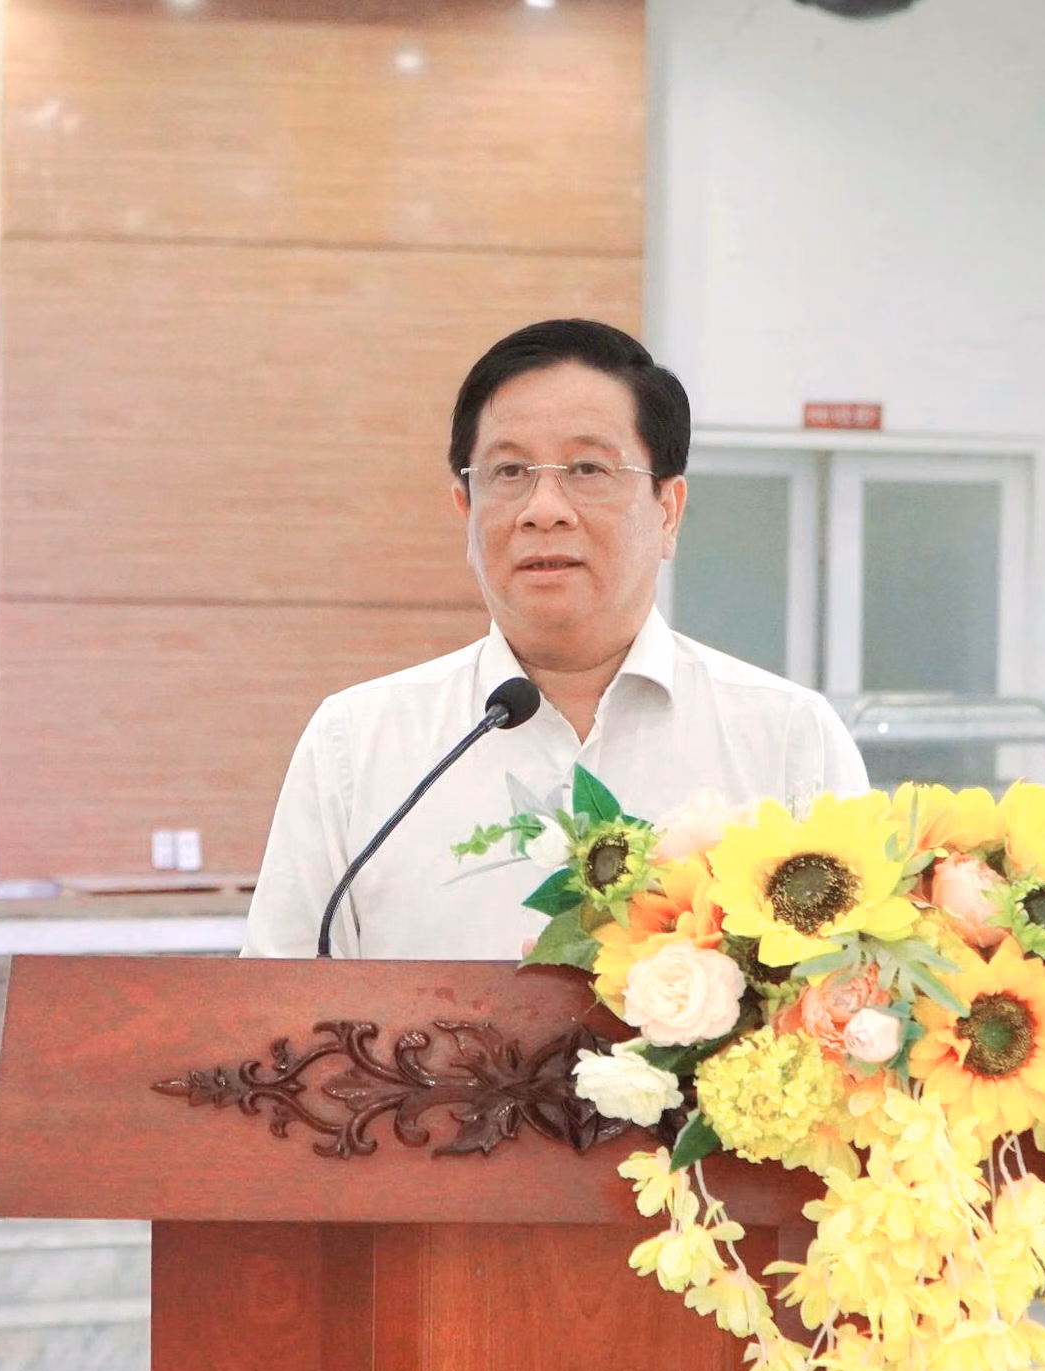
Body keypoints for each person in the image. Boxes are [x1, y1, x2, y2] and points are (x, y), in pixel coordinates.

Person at [242, 319, 867, 960]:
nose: (544, 509)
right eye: (509, 471)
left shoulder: (789, 738)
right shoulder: (356, 742)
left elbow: (856, 989)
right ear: (465, 509)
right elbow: (276, 1004)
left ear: (669, 510)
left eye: (588, 468)